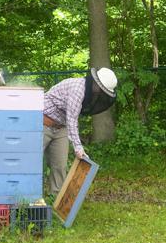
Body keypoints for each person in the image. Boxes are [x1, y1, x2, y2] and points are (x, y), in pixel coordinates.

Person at [42, 67, 117, 197]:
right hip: (42, 123)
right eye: (102, 90)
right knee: (31, 161)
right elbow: (72, 119)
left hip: (61, 128)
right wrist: (78, 147)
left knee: (60, 165)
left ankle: (55, 200)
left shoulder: (90, 93)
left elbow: (69, 120)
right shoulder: (78, 89)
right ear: (96, 83)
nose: (101, 94)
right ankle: (28, 200)